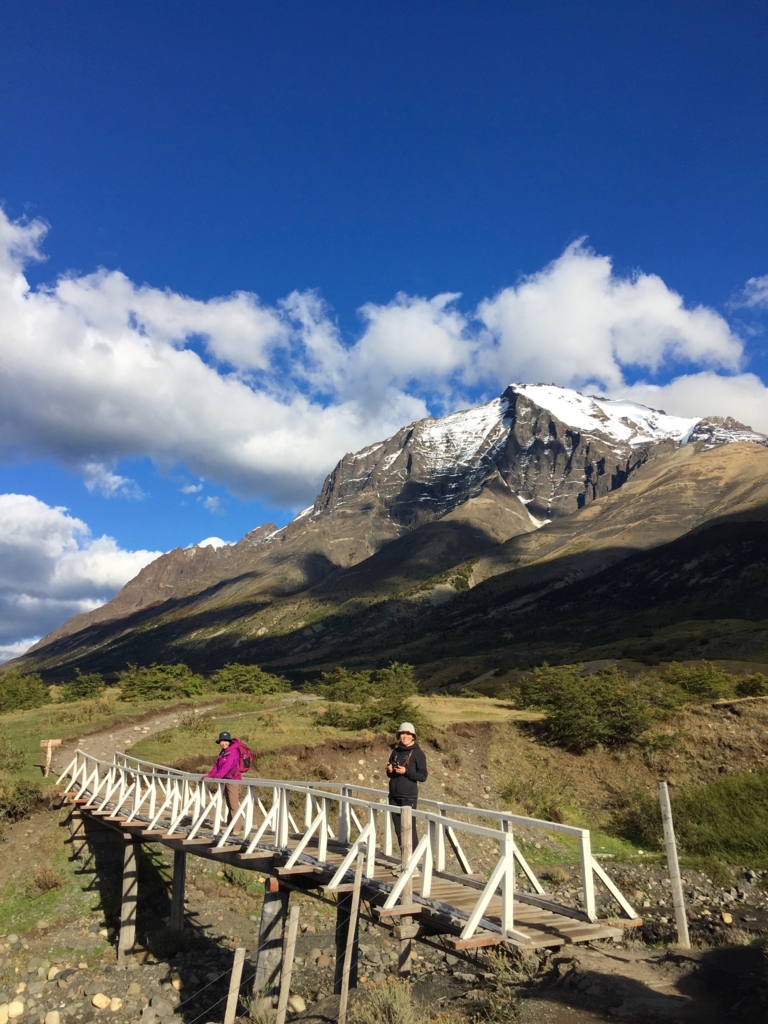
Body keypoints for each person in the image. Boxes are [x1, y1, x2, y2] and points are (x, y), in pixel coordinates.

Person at [386, 721, 427, 851]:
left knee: (409, 829)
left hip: (408, 797)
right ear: (399, 735)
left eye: (408, 734)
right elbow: (390, 775)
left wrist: (406, 771)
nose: (405, 736)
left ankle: (415, 861)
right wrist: (390, 770)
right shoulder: (396, 751)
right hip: (394, 796)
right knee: (398, 830)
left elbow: (423, 776)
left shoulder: (418, 754)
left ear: (413, 736)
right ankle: (405, 860)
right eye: (403, 733)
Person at [204, 730, 243, 825]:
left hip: (233, 780)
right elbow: (216, 766)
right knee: (229, 804)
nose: (224, 743)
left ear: (229, 741)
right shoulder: (223, 752)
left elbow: (227, 766)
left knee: (233, 805)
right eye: (222, 741)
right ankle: (230, 827)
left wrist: (218, 776)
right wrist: (210, 774)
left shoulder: (233, 751)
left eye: (226, 741)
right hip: (226, 779)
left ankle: (236, 828)